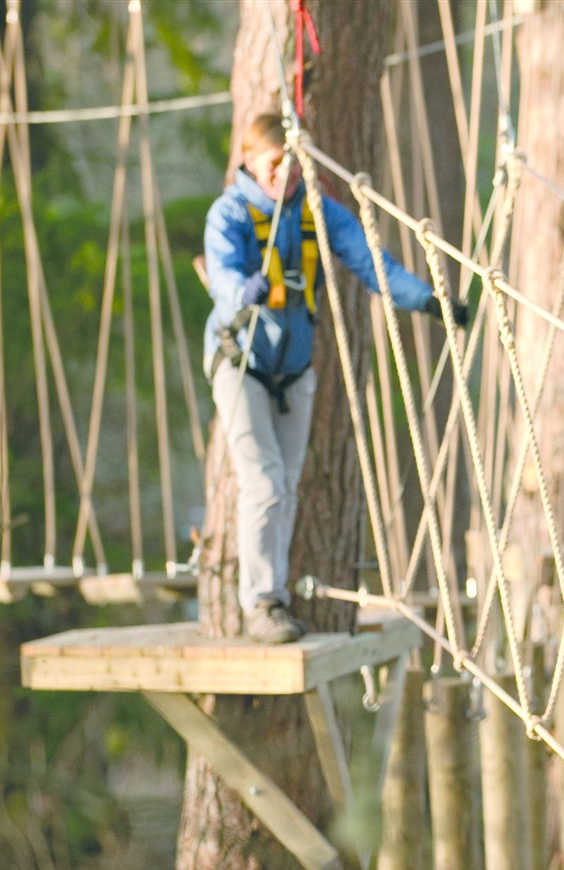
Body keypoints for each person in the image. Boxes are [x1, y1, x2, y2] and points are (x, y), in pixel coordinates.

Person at [202, 113, 461, 643]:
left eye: (292, 165)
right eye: (274, 165)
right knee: (265, 482)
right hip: (240, 362)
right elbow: (224, 274)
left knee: (286, 487)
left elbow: (372, 261)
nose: (285, 176)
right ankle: (262, 601)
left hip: (294, 370)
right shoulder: (229, 214)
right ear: (250, 161)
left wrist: (427, 301)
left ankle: (274, 594)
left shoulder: (317, 210)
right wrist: (240, 291)